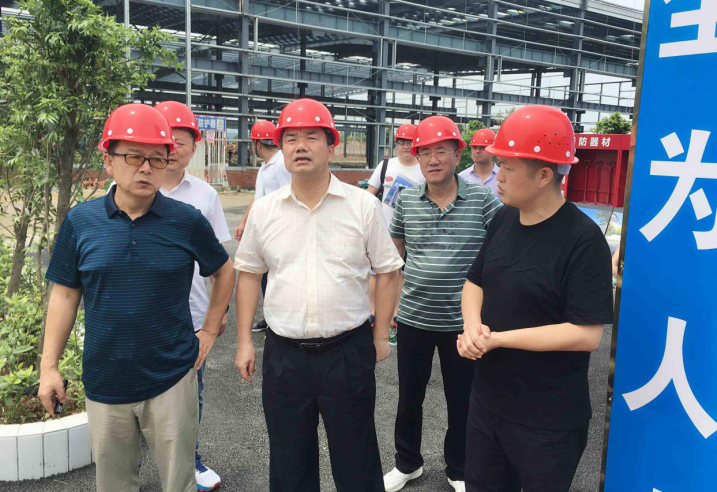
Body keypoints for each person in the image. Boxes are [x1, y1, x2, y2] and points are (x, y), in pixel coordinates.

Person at [38, 103, 235, 492]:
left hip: (172, 378)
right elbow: (64, 295)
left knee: (178, 481)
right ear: (108, 161)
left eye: (156, 159)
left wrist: (210, 329)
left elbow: (224, 270)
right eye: (133, 156)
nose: (146, 168)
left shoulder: (186, 220)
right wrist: (49, 367)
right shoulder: (81, 222)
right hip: (105, 380)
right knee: (114, 482)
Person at [234, 98, 403, 492]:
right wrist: (244, 342)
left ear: (331, 146)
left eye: (312, 136)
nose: (300, 146)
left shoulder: (362, 206)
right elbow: (249, 275)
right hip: (284, 358)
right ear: (281, 147)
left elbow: (388, 270)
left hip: (347, 353)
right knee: (289, 462)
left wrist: (380, 334)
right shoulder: (265, 212)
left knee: (357, 459)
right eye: (290, 138)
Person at [458, 105, 614, 492]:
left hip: (548, 420)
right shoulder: (504, 218)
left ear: (544, 175)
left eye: (508, 167)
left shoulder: (583, 240)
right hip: (489, 403)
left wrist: (498, 339)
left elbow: (586, 334)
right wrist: (472, 326)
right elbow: (475, 281)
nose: (498, 176)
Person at [383, 116, 501, 492]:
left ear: (456, 154)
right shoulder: (406, 200)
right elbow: (394, 259)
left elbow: (500, 256)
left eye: (441, 151)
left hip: (463, 323)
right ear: (417, 157)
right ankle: (407, 463)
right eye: (425, 153)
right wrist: (390, 310)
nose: (433, 160)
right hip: (414, 317)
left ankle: (460, 469)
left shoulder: (483, 200)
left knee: (463, 399)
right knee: (409, 397)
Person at [157, 100, 232, 491]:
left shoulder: (205, 195)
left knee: (190, 395)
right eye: (165, 140)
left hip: (192, 316)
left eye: (180, 141)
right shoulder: (126, 187)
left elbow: (221, 264)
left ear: (193, 146)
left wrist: (216, 316)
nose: (172, 148)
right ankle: (133, 460)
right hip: (140, 316)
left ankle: (191, 460)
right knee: (135, 395)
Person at [366, 123, 425, 344]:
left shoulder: (423, 169)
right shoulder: (385, 166)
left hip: (412, 232)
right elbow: (370, 195)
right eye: (401, 142)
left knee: (401, 275)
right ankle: (372, 314)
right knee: (376, 273)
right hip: (383, 231)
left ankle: (394, 316)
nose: (405, 146)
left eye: (409, 142)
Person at [234, 120, 291, 333]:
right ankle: (269, 318)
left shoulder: (281, 165)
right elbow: (257, 198)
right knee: (264, 275)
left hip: (279, 229)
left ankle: (278, 319)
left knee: (277, 276)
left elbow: (288, 196)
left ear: (257, 143)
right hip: (265, 229)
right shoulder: (265, 166)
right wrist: (244, 222)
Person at [458, 129, 500, 197]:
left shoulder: (504, 178)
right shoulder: (461, 178)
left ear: (493, 150)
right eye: (474, 147)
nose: (477, 151)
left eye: (482, 148)